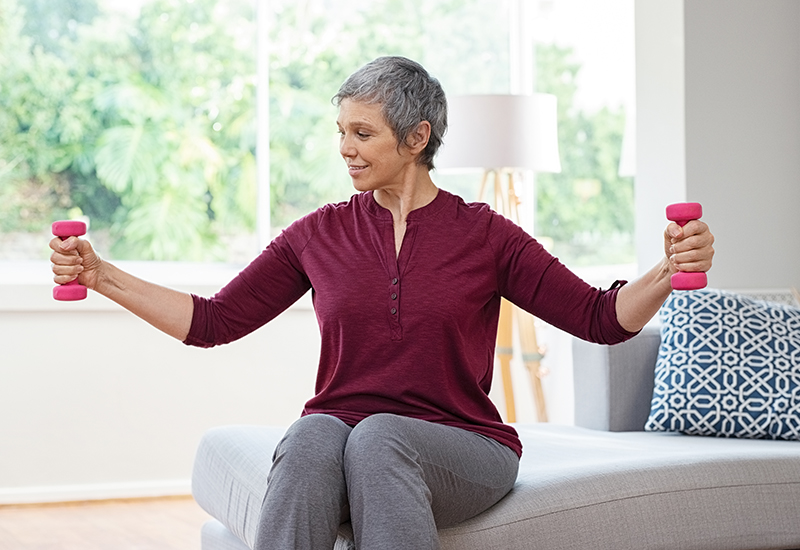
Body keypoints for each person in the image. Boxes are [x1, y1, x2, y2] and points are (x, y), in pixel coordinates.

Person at [50, 56, 714, 549]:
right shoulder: (320, 233)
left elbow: (600, 318)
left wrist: (668, 266)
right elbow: (214, 321)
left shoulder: (485, 235)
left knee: (381, 436)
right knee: (314, 432)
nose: (345, 148)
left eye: (363, 134)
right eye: (341, 131)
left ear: (416, 138)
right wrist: (101, 274)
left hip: (466, 446)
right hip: (342, 434)